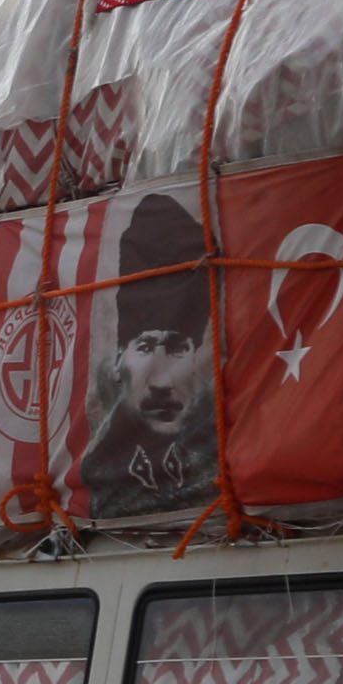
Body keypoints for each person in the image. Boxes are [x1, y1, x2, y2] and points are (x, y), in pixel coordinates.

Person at [80, 189, 218, 512]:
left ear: (201, 359)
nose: (161, 383)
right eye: (144, 347)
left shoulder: (227, 457)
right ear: (117, 362)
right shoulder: (93, 474)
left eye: (177, 349)